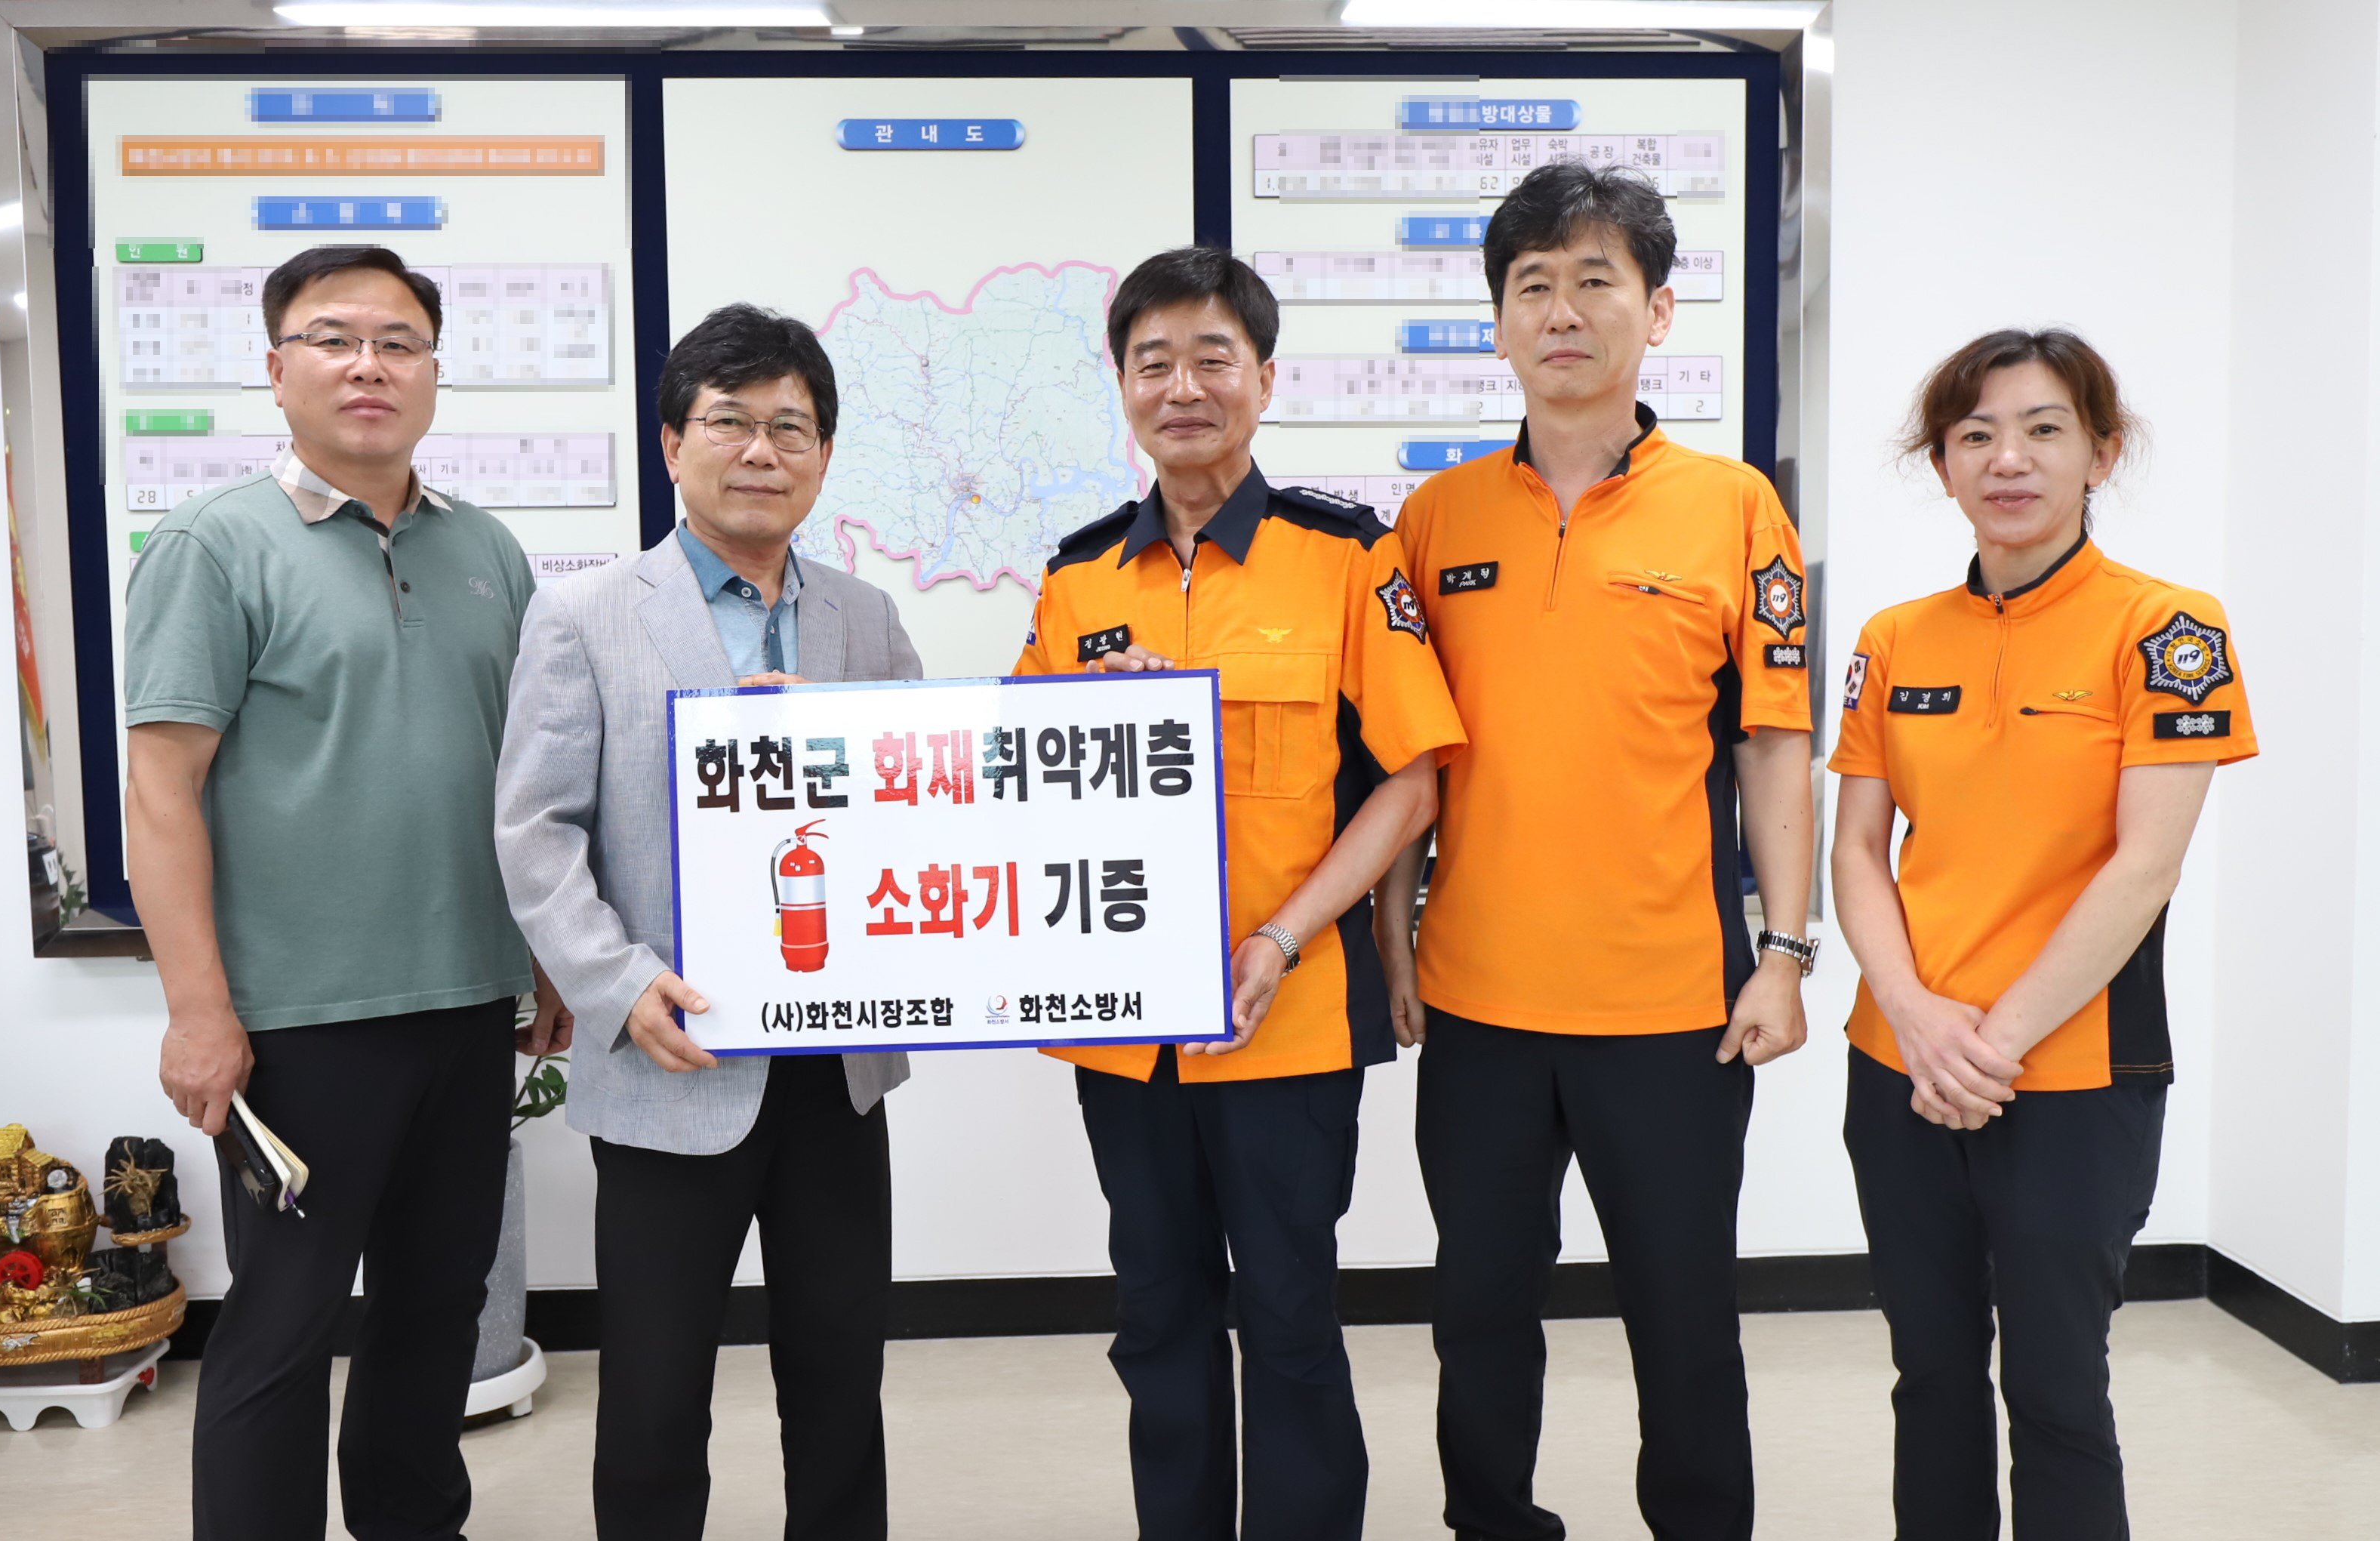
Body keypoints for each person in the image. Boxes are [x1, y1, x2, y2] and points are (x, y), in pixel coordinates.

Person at [1376, 160, 1818, 1541]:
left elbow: (1774, 746)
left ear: (1657, 309)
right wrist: (1392, 939)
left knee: (1683, 1320)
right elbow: (1408, 760)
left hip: (1672, 1006)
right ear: (1499, 323)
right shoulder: (1433, 520)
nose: (1560, 311)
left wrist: (1785, 951)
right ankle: (1489, 1521)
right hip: (1479, 1003)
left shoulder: (1734, 508)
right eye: (1532, 286)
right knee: (1476, 1313)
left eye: (1593, 280)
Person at [1014, 246, 1467, 1541]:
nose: (1182, 387)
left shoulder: (1345, 557)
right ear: (1121, 384)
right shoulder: (1078, 580)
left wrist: (1280, 934)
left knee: (1287, 1309)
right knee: (1154, 1308)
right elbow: (1007, 777)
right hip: (1123, 1028)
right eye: (1151, 361)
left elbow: (1410, 783)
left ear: (1264, 380)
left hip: (1290, 1013)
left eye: (1212, 357)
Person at [125, 243, 571, 1541]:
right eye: (333, 338)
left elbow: (526, 780)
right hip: (298, 1026)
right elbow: (161, 790)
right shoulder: (216, 544)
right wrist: (197, 1011)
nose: (367, 364)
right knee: (281, 1328)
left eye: (398, 342)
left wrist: (542, 954)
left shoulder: (487, 549)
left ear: (433, 371)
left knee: (439, 1317)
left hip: (465, 1007)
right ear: (277, 370)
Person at [494, 303, 922, 1541]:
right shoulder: (586, 613)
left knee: (839, 1375)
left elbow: (918, 809)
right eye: (730, 421)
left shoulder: (864, 617)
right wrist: (618, 982)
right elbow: (536, 830)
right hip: (670, 1061)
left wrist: (835, 758)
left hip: (838, 1069)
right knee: (654, 1392)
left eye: (791, 427)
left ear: (823, 455)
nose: (761, 451)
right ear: (673, 442)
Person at [1830, 330, 2256, 1541]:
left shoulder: (2166, 627)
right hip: (1901, 1067)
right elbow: (1854, 851)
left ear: (2099, 453)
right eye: (1974, 435)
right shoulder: (1892, 638)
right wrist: (1916, 1020)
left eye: (2041, 429)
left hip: (2074, 1074)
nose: (2005, 459)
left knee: (2057, 1389)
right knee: (1929, 1375)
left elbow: (2144, 865)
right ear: (1942, 465)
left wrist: (1990, 1042)